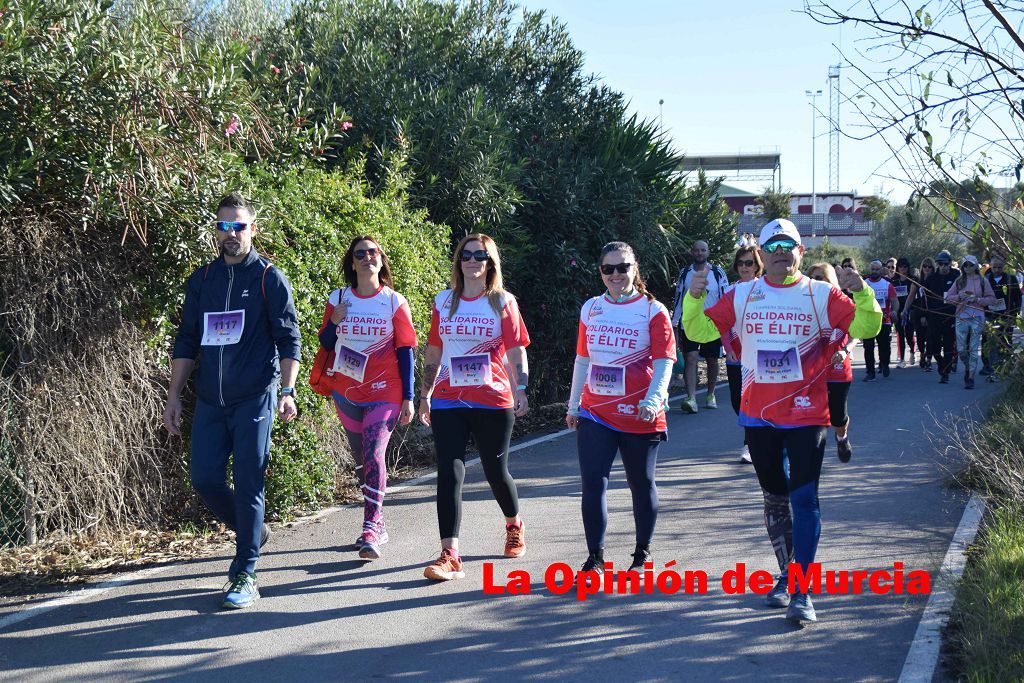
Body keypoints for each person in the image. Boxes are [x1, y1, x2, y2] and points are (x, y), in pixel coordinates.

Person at [682, 218, 881, 624]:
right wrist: (692, 298)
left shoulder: (820, 294)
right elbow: (698, 330)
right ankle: (786, 575)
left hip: (807, 414)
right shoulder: (743, 293)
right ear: (762, 254)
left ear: (800, 252)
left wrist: (861, 293)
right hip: (758, 417)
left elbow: (868, 325)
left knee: (804, 500)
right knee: (775, 499)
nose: (779, 252)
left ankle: (802, 590)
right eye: (772, 245)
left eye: (787, 245)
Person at [164, 192, 301, 609]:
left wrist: (288, 390)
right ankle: (251, 530)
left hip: (253, 399)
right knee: (204, 479)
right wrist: (173, 396)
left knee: (248, 483)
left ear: (252, 229)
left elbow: (288, 340)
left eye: (239, 226)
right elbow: (187, 339)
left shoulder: (267, 278)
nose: (231, 234)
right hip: (209, 400)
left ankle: (246, 571)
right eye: (224, 226)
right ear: (216, 231)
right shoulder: (202, 280)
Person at [418, 234, 531, 581]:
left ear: (490, 262)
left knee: (495, 471)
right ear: (458, 261)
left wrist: (521, 387)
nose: (472, 260)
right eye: (465, 254)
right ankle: (449, 554)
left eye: (479, 255)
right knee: (449, 470)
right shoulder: (444, 301)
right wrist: (425, 393)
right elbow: (434, 351)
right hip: (449, 398)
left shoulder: (502, 302)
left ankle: (513, 524)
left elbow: (515, 351)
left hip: (493, 399)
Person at [566, 242, 675, 575]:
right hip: (596, 411)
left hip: (640, 412)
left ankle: (642, 553)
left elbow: (664, 361)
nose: (615, 275)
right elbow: (583, 359)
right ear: (600, 271)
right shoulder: (591, 308)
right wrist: (574, 405)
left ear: (635, 268)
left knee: (640, 483)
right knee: (593, 483)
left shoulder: (653, 310)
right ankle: (595, 558)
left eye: (622, 267)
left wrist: (654, 400)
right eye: (607, 269)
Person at [315, 236, 417, 559]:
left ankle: (371, 525)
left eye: (373, 252)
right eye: (360, 253)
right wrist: (333, 321)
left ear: (381, 259)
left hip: (385, 391)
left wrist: (409, 398)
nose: (367, 257)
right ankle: (379, 521)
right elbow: (326, 343)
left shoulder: (393, 302)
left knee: (374, 452)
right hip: (347, 391)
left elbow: (406, 352)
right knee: (363, 462)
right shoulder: (339, 297)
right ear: (353, 261)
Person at [671, 240, 728, 413]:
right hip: (689, 323)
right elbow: (679, 299)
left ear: (708, 252)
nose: (699, 253)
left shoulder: (718, 273)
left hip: (711, 324)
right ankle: (691, 398)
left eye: (703, 250)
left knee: (712, 360)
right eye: (696, 250)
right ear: (692, 252)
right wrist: (675, 322)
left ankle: (710, 394)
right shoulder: (685, 273)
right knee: (691, 358)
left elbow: (725, 298)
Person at [807, 263, 856, 463]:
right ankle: (805, 456)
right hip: (811, 370)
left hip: (837, 367)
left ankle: (841, 437)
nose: (819, 282)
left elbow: (856, 334)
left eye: (823, 278)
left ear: (832, 282)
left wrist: (845, 351)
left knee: (837, 416)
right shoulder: (803, 305)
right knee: (810, 415)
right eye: (815, 278)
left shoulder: (844, 305)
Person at [724, 245, 763, 463]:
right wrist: (728, 348)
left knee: (754, 399)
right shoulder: (730, 290)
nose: (745, 267)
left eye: (749, 263)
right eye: (741, 263)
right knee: (736, 401)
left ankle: (750, 443)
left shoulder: (766, 289)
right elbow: (722, 323)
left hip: (760, 356)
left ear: (758, 265)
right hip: (736, 354)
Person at [944, 255, 995, 389]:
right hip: (961, 316)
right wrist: (959, 297)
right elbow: (948, 298)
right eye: (965, 265)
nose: (968, 267)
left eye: (970, 265)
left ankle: (970, 376)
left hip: (977, 317)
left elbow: (992, 299)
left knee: (973, 348)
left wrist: (977, 299)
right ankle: (968, 367)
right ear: (962, 266)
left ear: (975, 266)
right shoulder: (959, 281)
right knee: (961, 349)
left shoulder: (983, 281)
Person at [922, 250, 961, 383]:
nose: (943, 267)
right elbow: (925, 299)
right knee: (934, 347)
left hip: (950, 315)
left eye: (946, 264)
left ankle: (945, 373)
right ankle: (941, 363)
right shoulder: (931, 279)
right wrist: (924, 315)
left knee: (949, 345)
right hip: (935, 316)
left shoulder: (957, 275)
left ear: (950, 263)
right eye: (940, 264)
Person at [981, 254, 1022, 377]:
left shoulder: (1011, 279)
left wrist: (1014, 316)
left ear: (1003, 267)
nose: (997, 270)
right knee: (988, 342)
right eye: (994, 267)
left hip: (1006, 317)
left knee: (1006, 342)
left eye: (1000, 267)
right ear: (991, 267)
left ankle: (1006, 367)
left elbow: (1017, 299)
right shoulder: (985, 280)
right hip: (990, 317)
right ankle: (988, 366)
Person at [862, 260, 899, 381]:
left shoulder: (887, 284)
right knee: (868, 347)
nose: (874, 272)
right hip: (868, 321)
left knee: (884, 346)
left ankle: (884, 363)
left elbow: (894, 301)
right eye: (872, 269)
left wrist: (894, 311)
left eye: (877, 269)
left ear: (881, 271)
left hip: (884, 320)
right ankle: (870, 372)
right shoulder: (864, 284)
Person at [906, 258, 937, 371]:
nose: (927, 269)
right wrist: (905, 310)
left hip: (932, 313)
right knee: (920, 337)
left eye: (929, 267)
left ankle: (929, 359)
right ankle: (922, 353)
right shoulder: (918, 281)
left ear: (933, 268)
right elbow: (911, 296)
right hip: (918, 312)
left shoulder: (936, 280)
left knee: (930, 337)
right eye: (925, 266)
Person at [890, 257, 917, 368]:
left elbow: (912, 296)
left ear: (908, 267)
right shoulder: (894, 281)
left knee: (909, 334)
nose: (902, 268)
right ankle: (901, 359)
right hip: (898, 310)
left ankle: (912, 351)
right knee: (900, 334)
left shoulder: (912, 279)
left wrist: (906, 310)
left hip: (909, 310)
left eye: (905, 266)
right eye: (900, 266)